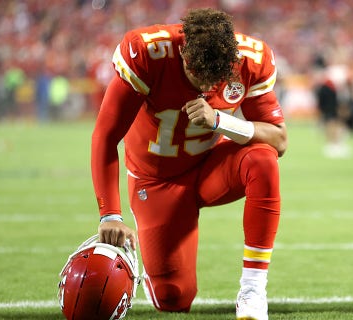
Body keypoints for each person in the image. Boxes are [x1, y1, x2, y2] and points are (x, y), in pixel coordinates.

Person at [91, 8, 287, 320]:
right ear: (183, 51)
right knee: (173, 297)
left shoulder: (250, 59)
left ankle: (253, 289)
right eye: (198, 75)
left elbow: (279, 139)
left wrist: (221, 121)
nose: (205, 87)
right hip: (155, 180)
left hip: (210, 166)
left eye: (214, 78)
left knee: (263, 159)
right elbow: (105, 136)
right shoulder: (147, 52)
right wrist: (109, 215)